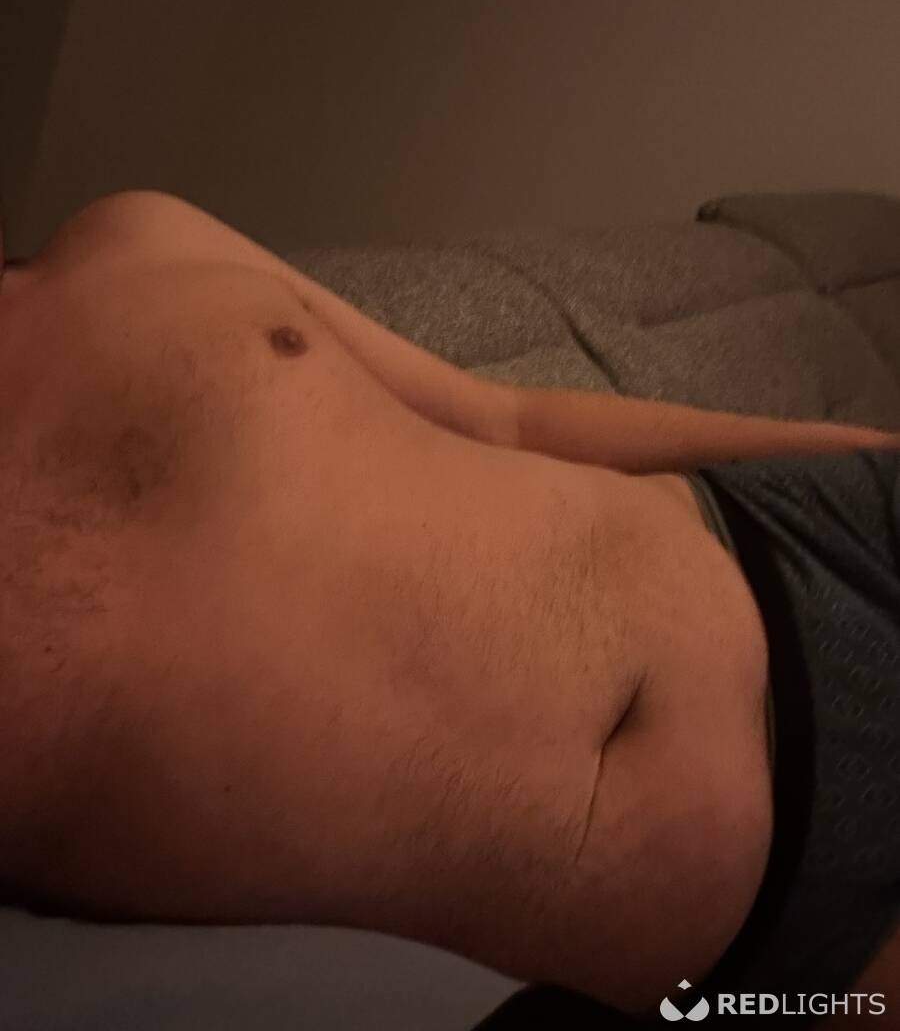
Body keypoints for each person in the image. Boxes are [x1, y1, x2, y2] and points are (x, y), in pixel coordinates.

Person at [0, 190, 896, 1024]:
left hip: (806, 529)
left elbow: (508, 417)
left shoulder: (133, 235)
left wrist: (868, 460)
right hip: (782, 907)